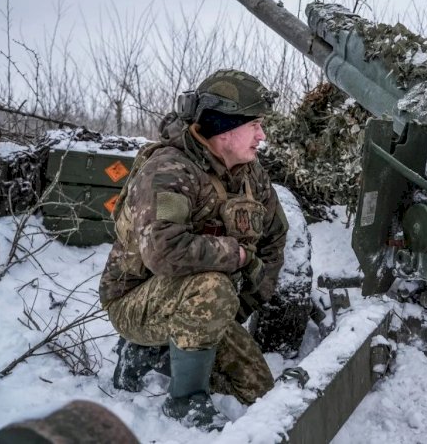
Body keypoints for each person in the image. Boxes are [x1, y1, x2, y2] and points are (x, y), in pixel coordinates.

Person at [99, 69, 288, 431]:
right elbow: (164, 252)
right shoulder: (168, 170)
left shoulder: (251, 173)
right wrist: (239, 257)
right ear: (224, 128)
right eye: (255, 125)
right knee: (212, 287)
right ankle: (183, 399)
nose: (262, 135)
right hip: (134, 301)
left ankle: (162, 350)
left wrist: (241, 305)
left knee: (259, 391)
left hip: (204, 302)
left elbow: (275, 237)